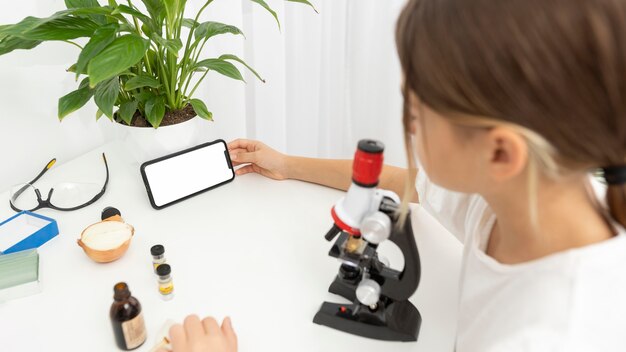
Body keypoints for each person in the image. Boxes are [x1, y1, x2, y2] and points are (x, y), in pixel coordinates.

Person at [163, 0, 626, 350]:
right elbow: (404, 183)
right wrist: (285, 164)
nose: (405, 124)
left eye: (418, 114)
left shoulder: (553, 334)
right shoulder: (519, 198)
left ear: (501, 152)